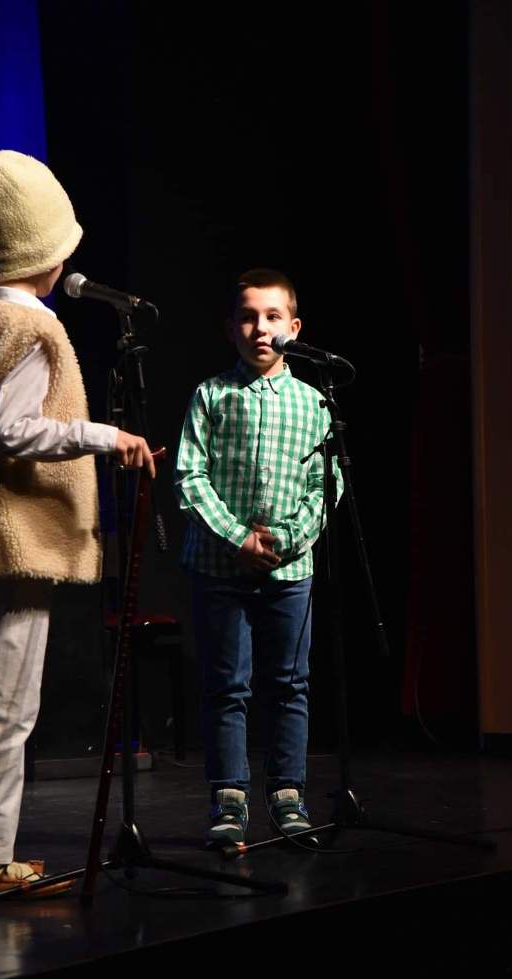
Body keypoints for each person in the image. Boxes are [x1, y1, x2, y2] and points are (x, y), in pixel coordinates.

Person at [0, 150, 154, 898]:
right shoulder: (29, 328)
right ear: (43, 251)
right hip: (11, 540)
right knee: (4, 704)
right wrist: (103, 436)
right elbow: (12, 430)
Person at [175, 267, 341, 849]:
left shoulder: (314, 402)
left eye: (273, 317)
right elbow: (190, 476)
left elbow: (326, 485)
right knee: (228, 686)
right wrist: (237, 538)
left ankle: (288, 795)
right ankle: (229, 799)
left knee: (291, 685)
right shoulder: (211, 395)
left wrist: (287, 540)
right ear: (231, 328)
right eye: (248, 317)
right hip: (220, 568)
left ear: (295, 327)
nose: (260, 328)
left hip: (290, 571)